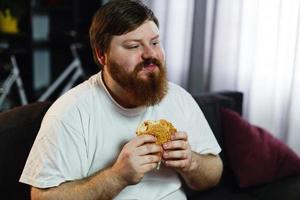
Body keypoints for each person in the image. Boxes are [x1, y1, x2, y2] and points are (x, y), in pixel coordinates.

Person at [20, 0, 223, 199]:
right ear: (102, 55)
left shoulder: (178, 97)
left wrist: (191, 163)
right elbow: (42, 196)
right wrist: (118, 176)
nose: (150, 54)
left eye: (155, 42)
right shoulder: (70, 113)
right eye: (133, 46)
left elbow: (214, 171)